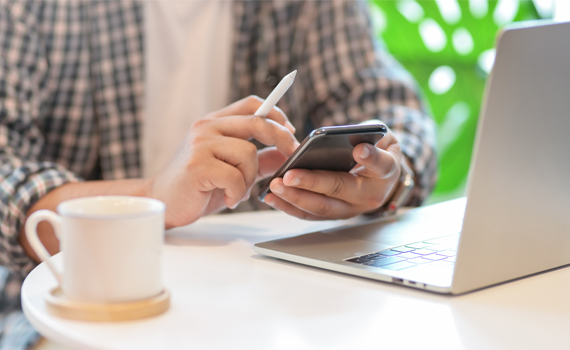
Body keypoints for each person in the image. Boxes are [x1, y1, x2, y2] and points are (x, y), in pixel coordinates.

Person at [0, 1, 436, 348]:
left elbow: (393, 108)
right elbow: (5, 179)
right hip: (79, 309)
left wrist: (389, 178)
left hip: (274, 300)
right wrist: (152, 197)